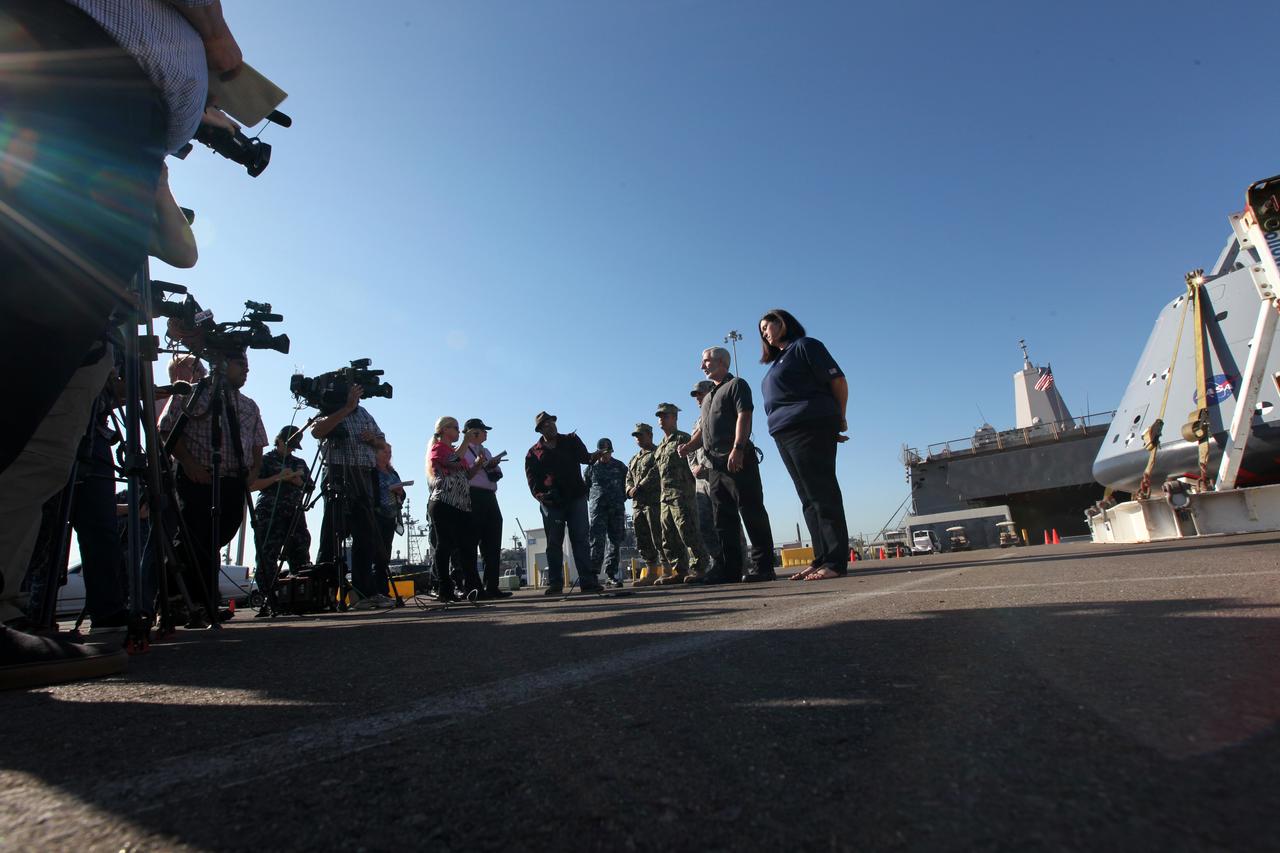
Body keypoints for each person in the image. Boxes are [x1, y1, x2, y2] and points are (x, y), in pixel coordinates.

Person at [0, 0, 242, 688]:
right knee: (19, 353)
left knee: (33, 432)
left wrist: (169, 141)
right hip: (88, 77)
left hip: (103, 103)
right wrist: (219, 49)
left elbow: (182, 249)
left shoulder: (142, 167)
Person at [159, 349, 267, 624]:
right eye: (240, 364)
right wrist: (189, 464)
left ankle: (202, 598)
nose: (246, 370)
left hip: (233, 480)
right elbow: (168, 431)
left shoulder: (250, 405)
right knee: (194, 537)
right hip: (199, 477)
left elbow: (257, 444)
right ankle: (179, 600)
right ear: (222, 364)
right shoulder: (191, 394)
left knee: (219, 534)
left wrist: (253, 471)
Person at [758, 309, 852, 581]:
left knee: (822, 493)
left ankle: (835, 561)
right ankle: (821, 557)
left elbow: (838, 381)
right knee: (808, 499)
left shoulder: (806, 346)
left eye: (768, 325)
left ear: (783, 322)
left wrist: (838, 419)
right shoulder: (777, 361)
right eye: (761, 330)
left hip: (809, 424)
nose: (765, 332)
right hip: (784, 432)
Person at [678, 347, 777, 583]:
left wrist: (738, 448)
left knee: (751, 511)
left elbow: (744, 415)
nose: (702, 366)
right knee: (722, 519)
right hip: (715, 467)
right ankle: (729, 568)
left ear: (722, 362)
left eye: (706, 361)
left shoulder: (737, 385)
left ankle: (764, 567)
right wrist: (689, 447)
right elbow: (703, 431)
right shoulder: (709, 396)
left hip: (737, 459)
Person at [311, 386, 387, 608]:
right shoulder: (328, 409)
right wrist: (346, 409)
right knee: (332, 533)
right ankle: (324, 593)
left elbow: (382, 443)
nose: (357, 395)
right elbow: (317, 431)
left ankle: (363, 592)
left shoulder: (365, 414)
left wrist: (373, 439)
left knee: (366, 534)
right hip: (336, 470)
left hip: (363, 473)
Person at [524, 411, 603, 595]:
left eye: (552, 422)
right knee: (553, 543)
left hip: (576, 497)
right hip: (552, 504)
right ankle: (555, 584)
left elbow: (586, 459)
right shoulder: (533, 453)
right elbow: (532, 480)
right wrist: (541, 496)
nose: (550, 426)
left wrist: (595, 455)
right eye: (545, 424)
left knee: (581, 540)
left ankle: (588, 582)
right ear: (539, 430)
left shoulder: (571, 440)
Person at [251, 425, 314, 615]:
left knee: (300, 553)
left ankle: (300, 597)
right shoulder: (265, 461)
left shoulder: (299, 463)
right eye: (288, 445)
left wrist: (298, 482)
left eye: (294, 447)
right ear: (278, 441)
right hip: (269, 514)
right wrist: (277, 478)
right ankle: (270, 600)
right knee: (267, 556)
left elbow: (309, 487)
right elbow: (252, 484)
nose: (291, 450)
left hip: (294, 514)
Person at [426, 417, 485, 603]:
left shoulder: (454, 450)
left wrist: (477, 465)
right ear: (444, 430)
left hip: (461, 505)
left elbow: (466, 475)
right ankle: (444, 588)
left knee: (467, 547)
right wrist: (466, 441)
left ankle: (471, 587)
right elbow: (452, 461)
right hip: (444, 503)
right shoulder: (438, 449)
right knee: (444, 545)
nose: (460, 432)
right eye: (456, 428)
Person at [653, 404, 711, 585]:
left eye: (665, 416)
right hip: (665, 496)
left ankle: (700, 568)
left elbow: (694, 464)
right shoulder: (661, 446)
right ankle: (679, 570)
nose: (661, 419)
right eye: (659, 416)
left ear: (674, 418)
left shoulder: (684, 439)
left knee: (688, 531)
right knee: (668, 535)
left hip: (682, 494)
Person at [459, 419, 511, 600]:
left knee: (493, 542)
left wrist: (491, 463)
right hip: (472, 495)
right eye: (483, 430)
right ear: (473, 432)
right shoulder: (462, 449)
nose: (486, 433)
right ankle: (473, 587)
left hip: (489, 496)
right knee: (471, 542)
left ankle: (492, 586)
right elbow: (463, 472)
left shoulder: (486, 450)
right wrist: (479, 464)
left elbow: (492, 473)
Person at [584, 438, 629, 588]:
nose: (605, 455)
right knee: (597, 542)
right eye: (602, 453)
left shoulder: (620, 467)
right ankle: (594, 576)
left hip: (616, 509)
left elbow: (627, 484)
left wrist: (620, 498)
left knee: (615, 542)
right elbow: (586, 488)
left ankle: (612, 574)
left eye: (608, 452)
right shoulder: (591, 468)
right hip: (598, 511)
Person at [625, 423, 663, 586]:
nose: (638, 439)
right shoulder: (634, 459)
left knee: (659, 537)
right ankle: (651, 572)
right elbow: (628, 478)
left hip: (653, 503)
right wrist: (629, 490)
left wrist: (638, 487)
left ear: (650, 435)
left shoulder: (657, 453)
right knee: (643, 539)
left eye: (641, 435)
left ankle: (668, 569)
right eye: (636, 436)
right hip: (638, 505)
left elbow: (655, 473)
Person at [371, 442, 405, 608]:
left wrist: (400, 492)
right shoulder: (372, 472)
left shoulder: (392, 472)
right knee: (377, 553)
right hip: (377, 514)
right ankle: (376, 590)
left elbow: (402, 494)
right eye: (385, 451)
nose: (388, 454)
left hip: (390, 516)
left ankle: (383, 591)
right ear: (375, 453)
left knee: (385, 553)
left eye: (390, 451)